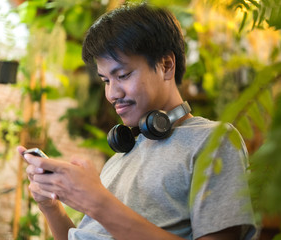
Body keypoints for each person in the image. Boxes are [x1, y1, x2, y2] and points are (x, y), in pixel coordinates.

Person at [17, 3, 256, 240]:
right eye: (106, 81)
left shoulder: (213, 142)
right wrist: (50, 206)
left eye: (122, 75)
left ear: (166, 65)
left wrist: (98, 202)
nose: (112, 94)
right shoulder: (119, 159)